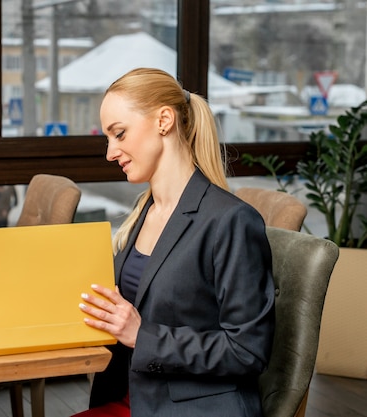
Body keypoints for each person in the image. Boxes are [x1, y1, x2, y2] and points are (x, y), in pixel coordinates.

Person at [77, 68, 275, 417]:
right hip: (135, 397)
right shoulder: (145, 212)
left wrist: (142, 335)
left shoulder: (230, 220)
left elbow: (247, 350)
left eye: (119, 134)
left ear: (164, 120)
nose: (110, 152)